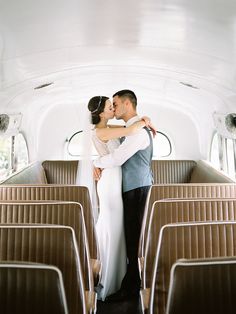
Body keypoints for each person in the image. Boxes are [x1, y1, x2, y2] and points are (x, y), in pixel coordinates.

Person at [88, 95, 155, 301]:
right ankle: (119, 277)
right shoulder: (124, 128)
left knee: (133, 238)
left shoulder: (138, 132)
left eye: (115, 104)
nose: (113, 109)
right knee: (125, 233)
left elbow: (118, 157)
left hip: (136, 188)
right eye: (110, 106)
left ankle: (130, 287)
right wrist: (95, 162)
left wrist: (97, 161)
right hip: (119, 185)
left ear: (127, 104)